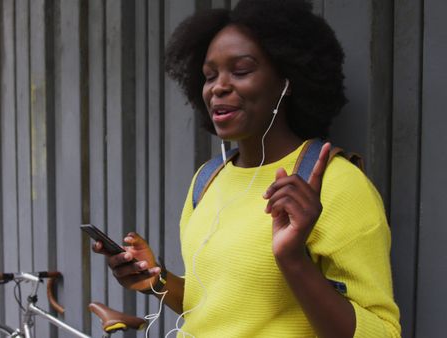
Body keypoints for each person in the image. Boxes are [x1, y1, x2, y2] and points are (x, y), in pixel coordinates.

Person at [93, 0, 401, 337]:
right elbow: (212, 307)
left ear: (287, 80)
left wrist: (293, 260)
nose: (218, 87)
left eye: (240, 70)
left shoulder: (336, 184)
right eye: (210, 76)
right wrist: (157, 278)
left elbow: (383, 332)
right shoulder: (207, 180)